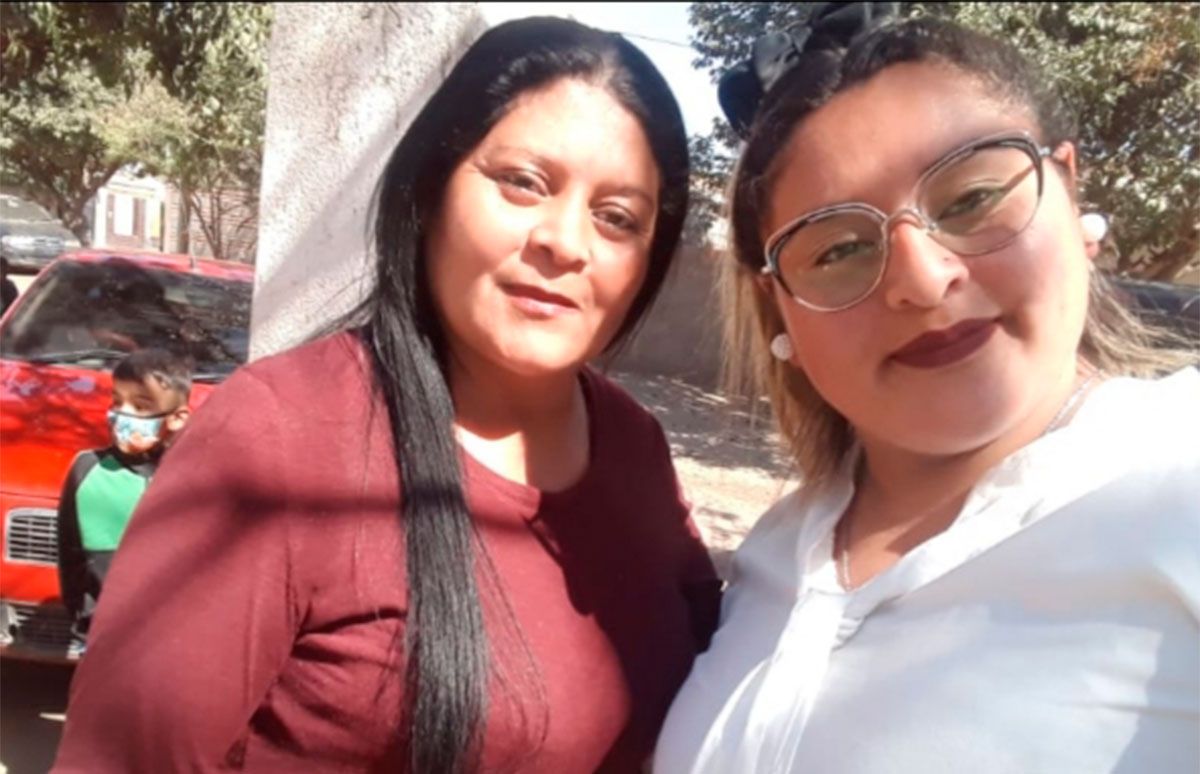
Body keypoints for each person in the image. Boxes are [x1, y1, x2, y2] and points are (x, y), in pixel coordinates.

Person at [54, 17, 720, 774]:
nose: (565, 242)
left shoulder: (635, 448)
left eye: (617, 218)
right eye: (523, 182)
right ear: (431, 187)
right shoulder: (276, 437)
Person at [655, 6, 1198, 773]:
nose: (921, 277)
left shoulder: (1180, 486)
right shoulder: (776, 552)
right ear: (780, 310)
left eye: (972, 200)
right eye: (838, 250)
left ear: (1069, 190)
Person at [55, 348, 192, 658]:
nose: (122, 414)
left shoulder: (189, 476)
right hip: (102, 641)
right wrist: (84, 626)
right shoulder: (88, 470)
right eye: (117, 402)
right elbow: (70, 559)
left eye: (141, 407)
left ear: (177, 418)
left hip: (170, 643)